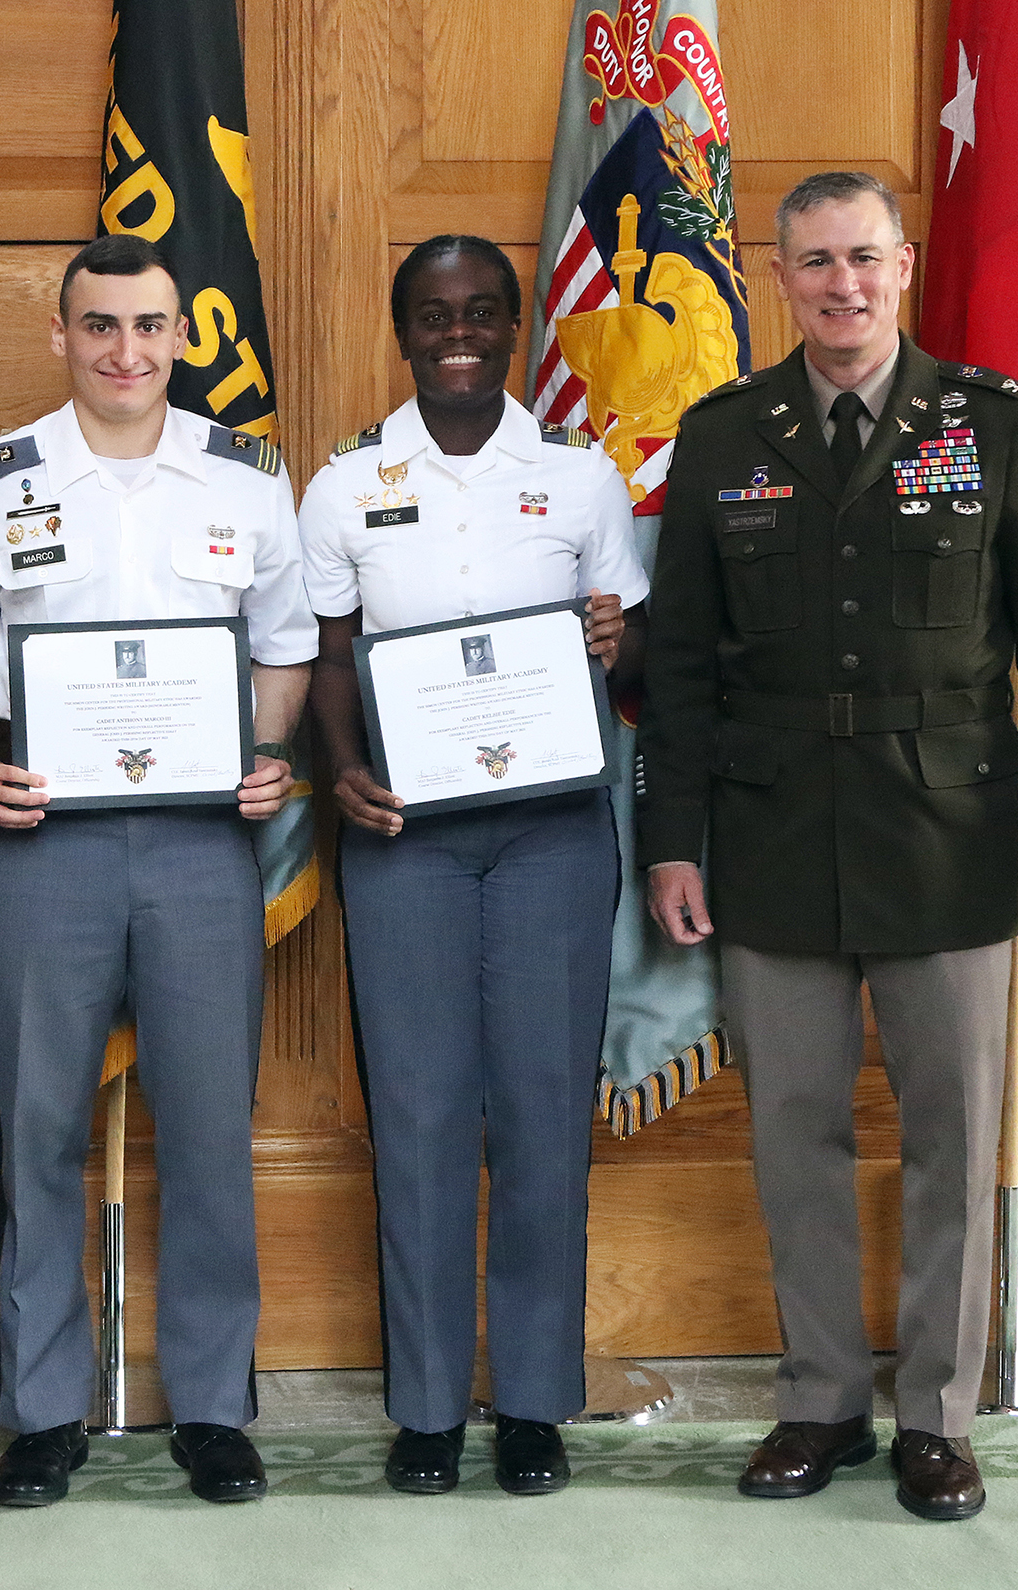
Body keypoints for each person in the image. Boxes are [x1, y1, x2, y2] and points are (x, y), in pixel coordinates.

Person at [637, 171, 1018, 1522]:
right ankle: (821, 1402)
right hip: (770, 833)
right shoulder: (725, 433)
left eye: (864, 257)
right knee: (793, 1133)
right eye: (813, 262)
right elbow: (678, 668)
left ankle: (940, 1416)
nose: (841, 284)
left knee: (954, 1136)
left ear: (904, 266)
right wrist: (675, 842)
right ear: (775, 277)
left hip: (949, 835)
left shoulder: (988, 422)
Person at [0, 234, 315, 1507]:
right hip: (47, 846)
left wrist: (267, 752)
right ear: (61, 336)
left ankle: (212, 1403)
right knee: (37, 1122)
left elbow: (285, 643)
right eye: (100, 326)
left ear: (180, 337)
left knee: (208, 1126)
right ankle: (44, 1409)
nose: (126, 351)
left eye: (150, 327)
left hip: (206, 846)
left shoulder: (248, 479)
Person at [298, 235, 642, 1498]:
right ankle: (431, 1404)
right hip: (407, 841)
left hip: (553, 834)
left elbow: (637, 656)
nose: (460, 331)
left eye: (484, 313)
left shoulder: (580, 476)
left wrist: (620, 634)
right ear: (404, 332)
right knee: (426, 1116)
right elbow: (328, 656)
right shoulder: (343, 485)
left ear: (513, 330)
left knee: (545, 1115)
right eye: (436, 314)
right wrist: (340, 771)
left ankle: (537, 1400)